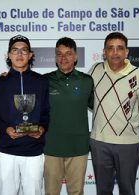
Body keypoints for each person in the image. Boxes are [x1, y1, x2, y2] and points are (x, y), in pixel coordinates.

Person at [88, 32, 139, 195]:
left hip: (128, 144)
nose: (115, 52)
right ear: (104, 52)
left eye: (119, 48)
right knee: (102, 190)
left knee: (127, 190)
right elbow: (87, 98)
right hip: (99, 142)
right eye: (111, 48)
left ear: (126, 52)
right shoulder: (95, 70)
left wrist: (132, 123)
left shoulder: (138, 75)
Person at [0, 35, 50, 195]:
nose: (19, 54)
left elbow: (46, 114)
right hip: (7, 151)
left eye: (24, 50)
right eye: (15, 50)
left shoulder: (41, 81)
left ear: (30, 55)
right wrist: (6, 129)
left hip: (33, 151)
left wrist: (41, 128)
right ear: (8, 55)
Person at [43, 37, 94, 195]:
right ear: (55, 57)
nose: (63, 58)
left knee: (77, 192)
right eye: (59, 54)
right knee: (51, 192)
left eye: (68, 53)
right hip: (51, 147)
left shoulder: (87, 81)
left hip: (78, 147)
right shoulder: (44, 80)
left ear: (76, 57)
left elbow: (99, 108)